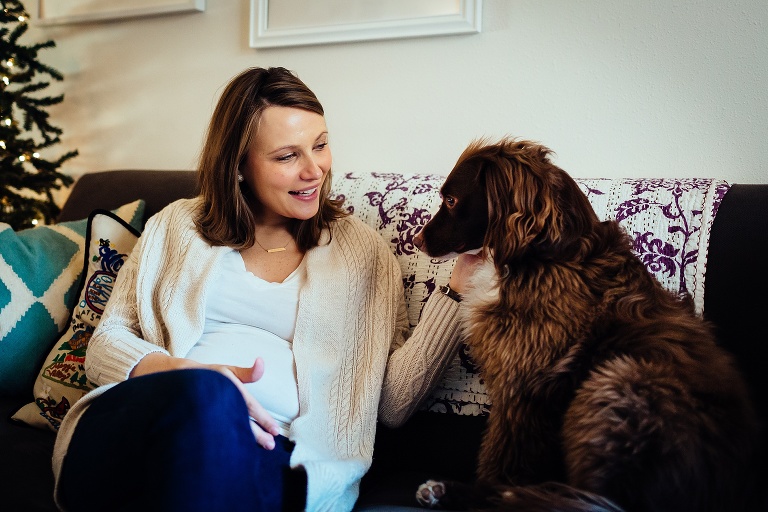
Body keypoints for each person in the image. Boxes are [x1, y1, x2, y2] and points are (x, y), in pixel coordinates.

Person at [52, 67, 480, 512]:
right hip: (141, 424)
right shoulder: (176, 226)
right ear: (239, 166)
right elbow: (103, 350)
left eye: (320, 144)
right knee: (208, 397)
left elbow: (389, 405)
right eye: (286, 156)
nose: (314, 170)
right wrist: (187, 373)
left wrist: (456, 293)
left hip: (273, 456)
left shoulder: (363, 253)